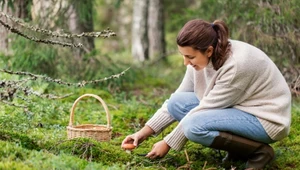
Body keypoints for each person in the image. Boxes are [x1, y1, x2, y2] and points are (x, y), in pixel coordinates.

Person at [121, 19, 291, 169]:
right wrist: (142, 133)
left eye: (190, 57)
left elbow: (203, 111)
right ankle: (238, 151)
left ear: (208, 51)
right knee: (176, 103)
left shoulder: (236, 66)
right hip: (238, 108)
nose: (185, 63)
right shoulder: (202, 58)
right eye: (183, 56)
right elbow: (178, 98)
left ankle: (259, 152)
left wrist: (168, 143)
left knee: (194, 126)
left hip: (266, 120)